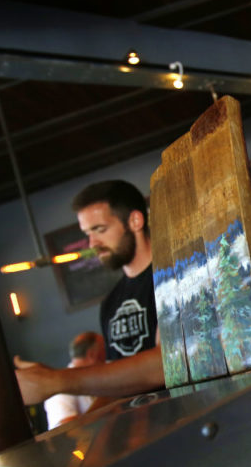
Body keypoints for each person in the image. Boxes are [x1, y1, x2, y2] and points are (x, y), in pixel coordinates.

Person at [15, 180, 165, 404]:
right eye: (87, 234)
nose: (92, 243)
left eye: (100, 230)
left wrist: (55, 380)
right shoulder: (111, 302)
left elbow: (164, 363)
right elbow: (117, 385)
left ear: (135, 221)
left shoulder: (172, 276)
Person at [43, 331, 106, 428]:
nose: (107, 356)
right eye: (104, 350)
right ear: (92, 354)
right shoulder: (60, 387)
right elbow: (67, 431)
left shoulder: (94, 379)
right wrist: (107, 401)